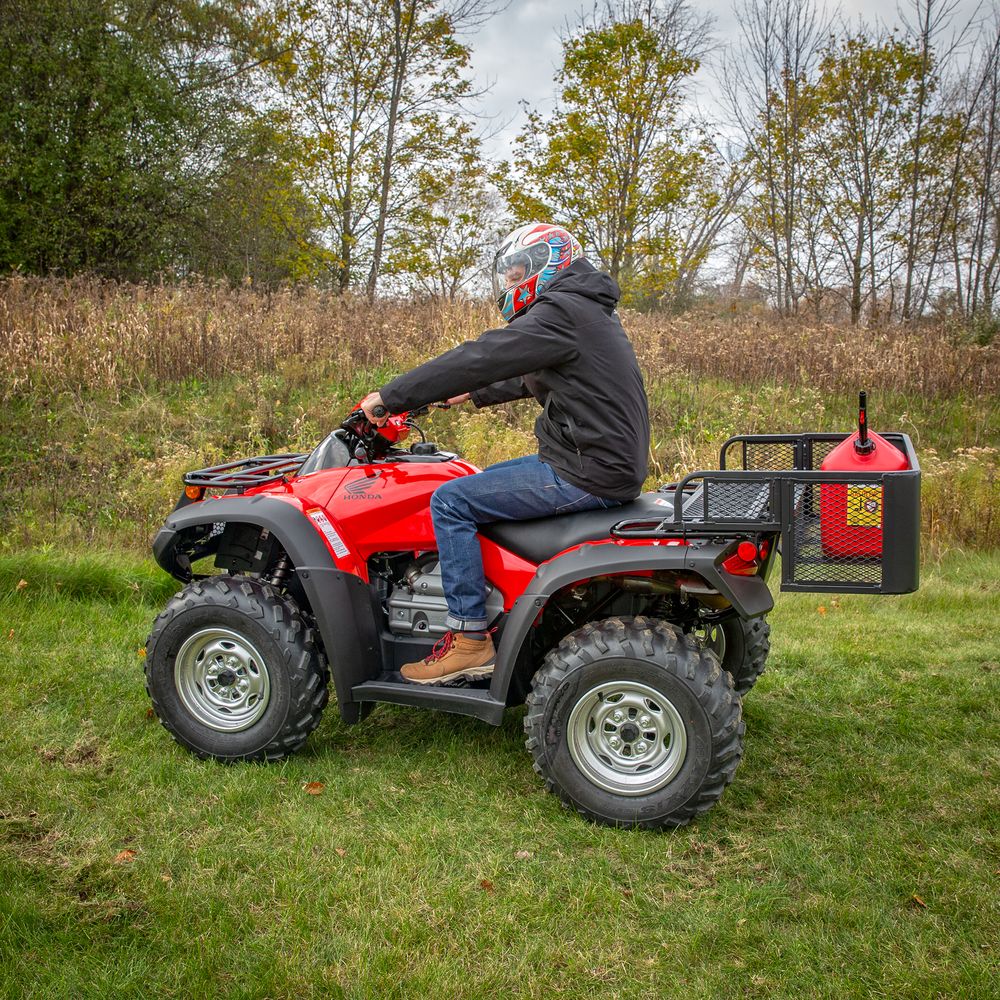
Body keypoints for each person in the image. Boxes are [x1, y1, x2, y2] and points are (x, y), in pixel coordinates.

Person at [361, 222, 650, 685]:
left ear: (547, 264)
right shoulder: (585, 309)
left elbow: (483, 355)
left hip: (585, 469)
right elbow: (530, 371)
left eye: (518, 274)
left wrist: (390, 396)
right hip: (596, 459)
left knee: (450, 500)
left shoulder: (562, 311)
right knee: (478, 478)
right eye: (509, 275)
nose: (512, 284)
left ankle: (470, 639)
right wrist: (470, 395)